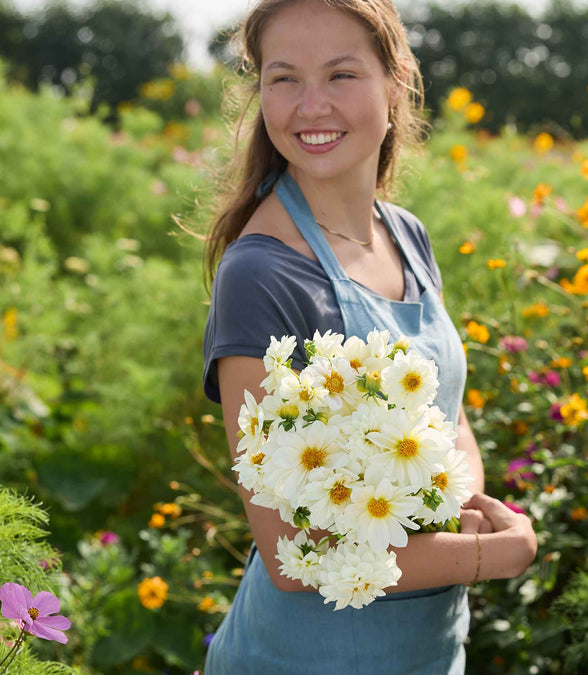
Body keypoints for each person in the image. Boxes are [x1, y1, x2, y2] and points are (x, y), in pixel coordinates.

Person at [201, 1, 537, 672]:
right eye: (284, 77)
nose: (310, 106)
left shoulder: (404, 235)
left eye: (341, 75)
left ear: (395, 81)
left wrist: (468, 505)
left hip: (426, 647)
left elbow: (447, 414)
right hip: (305, 655)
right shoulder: (261, 274)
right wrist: (494, 553)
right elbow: (294, 553)